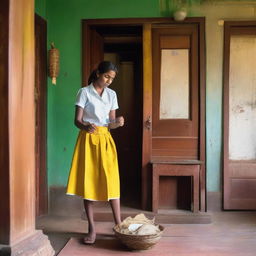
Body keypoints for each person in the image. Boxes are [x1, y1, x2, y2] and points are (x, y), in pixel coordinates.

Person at [66, 61, 124, 244]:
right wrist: (85, 126)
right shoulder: (84, 92)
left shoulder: (112, 95)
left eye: (112, 78)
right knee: (89, 183)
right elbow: (77, 120)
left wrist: (118, 122)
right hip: (88, 140)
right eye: (106, 76)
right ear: (98, 73)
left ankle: (119, 226)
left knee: (112, 182)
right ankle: (91, 229)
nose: (109, 81)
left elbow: (111, 123)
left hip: (105, 139)